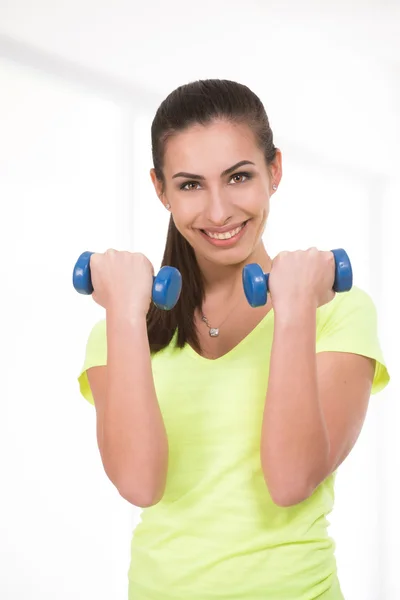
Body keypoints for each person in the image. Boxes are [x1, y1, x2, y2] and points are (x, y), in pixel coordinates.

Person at [77, 79, 390, 600]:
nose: (219, 212)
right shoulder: (117, 330)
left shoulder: (338, 313)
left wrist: (292, 311)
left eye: (239, 177)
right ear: (160, 190)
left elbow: (290, 482)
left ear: (275, 171)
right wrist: (126, 319)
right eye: (191, 185)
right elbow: (139, 483)